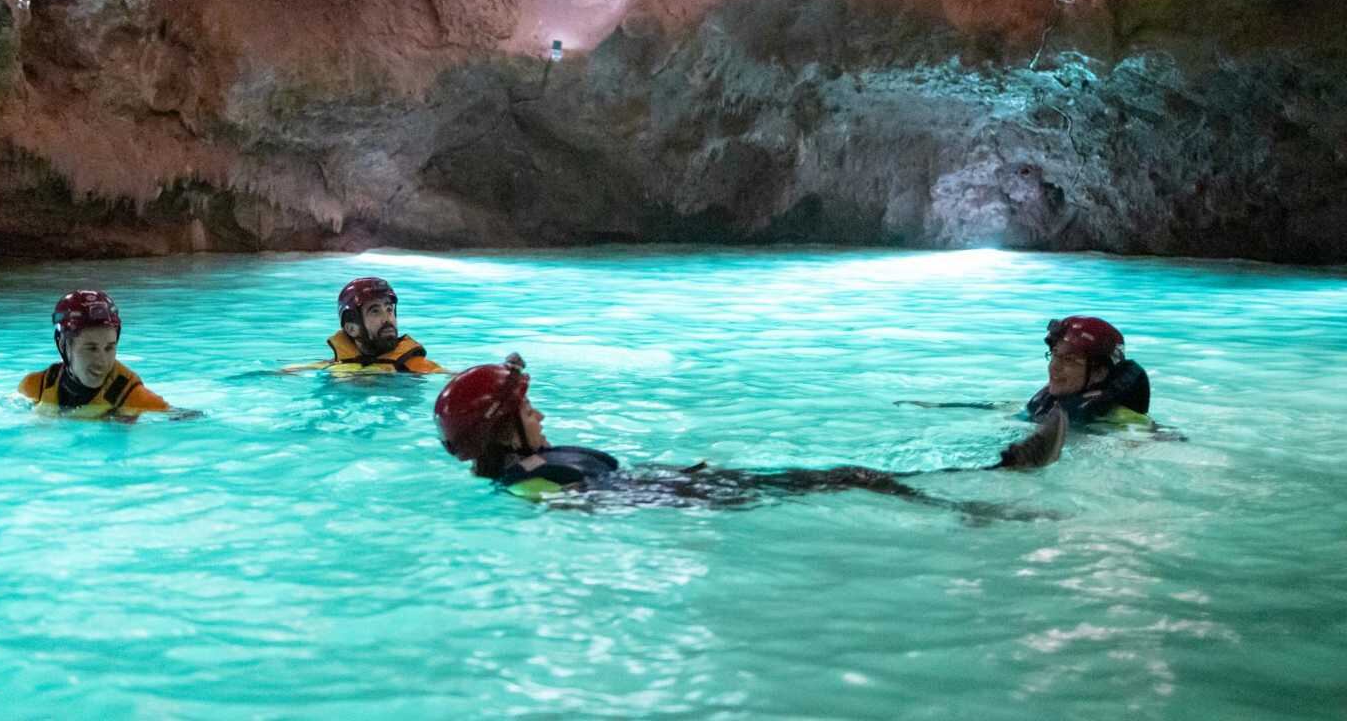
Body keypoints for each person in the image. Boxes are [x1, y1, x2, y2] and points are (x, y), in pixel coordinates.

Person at [433, 355, 1065, 504]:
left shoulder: (530, 470)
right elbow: (601, 507)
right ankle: (988, 488)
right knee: (849, 477)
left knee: (844, 476)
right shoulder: (532, 486)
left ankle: (981, 480)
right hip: (685, 501)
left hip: (679, 489)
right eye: (527, 410)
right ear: (501, 431)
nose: (540, 415)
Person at [898, 316, 1152, 426]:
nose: (1055, 367)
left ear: (1098, 373)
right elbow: (1003, 406)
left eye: (1070, 361)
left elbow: (1155, 440)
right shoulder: (1049, 403)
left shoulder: (1120, 421)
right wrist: (939, 407)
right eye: (1054, 357)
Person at [17, 289, 171, 418]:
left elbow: (182, 420)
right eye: (91, 348)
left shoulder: (134, 398)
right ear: (63, 345)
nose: (102, 361)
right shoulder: (35, 387)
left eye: (109, 348)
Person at [283, 277, 446, 375]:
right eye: (375, 311)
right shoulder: (333, 366)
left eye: (389, 309)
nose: (387, 319)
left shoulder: (413, 366)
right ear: (351, 328)